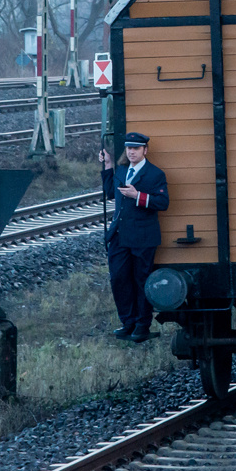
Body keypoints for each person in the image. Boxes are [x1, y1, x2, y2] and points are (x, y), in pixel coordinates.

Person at [100, 131, 169, 342]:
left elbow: (163, 203)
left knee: (141, 281)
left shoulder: (154, 174)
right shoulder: (122, 170)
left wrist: (138, 196)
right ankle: (127, 322)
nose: (131, 152)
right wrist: (108, 166)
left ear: (144, 150)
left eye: (136, 148)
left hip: (143, 236)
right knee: (119, 279)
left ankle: (142, 325)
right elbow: (110, 193)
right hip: (120, 235)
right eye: (129, 148)